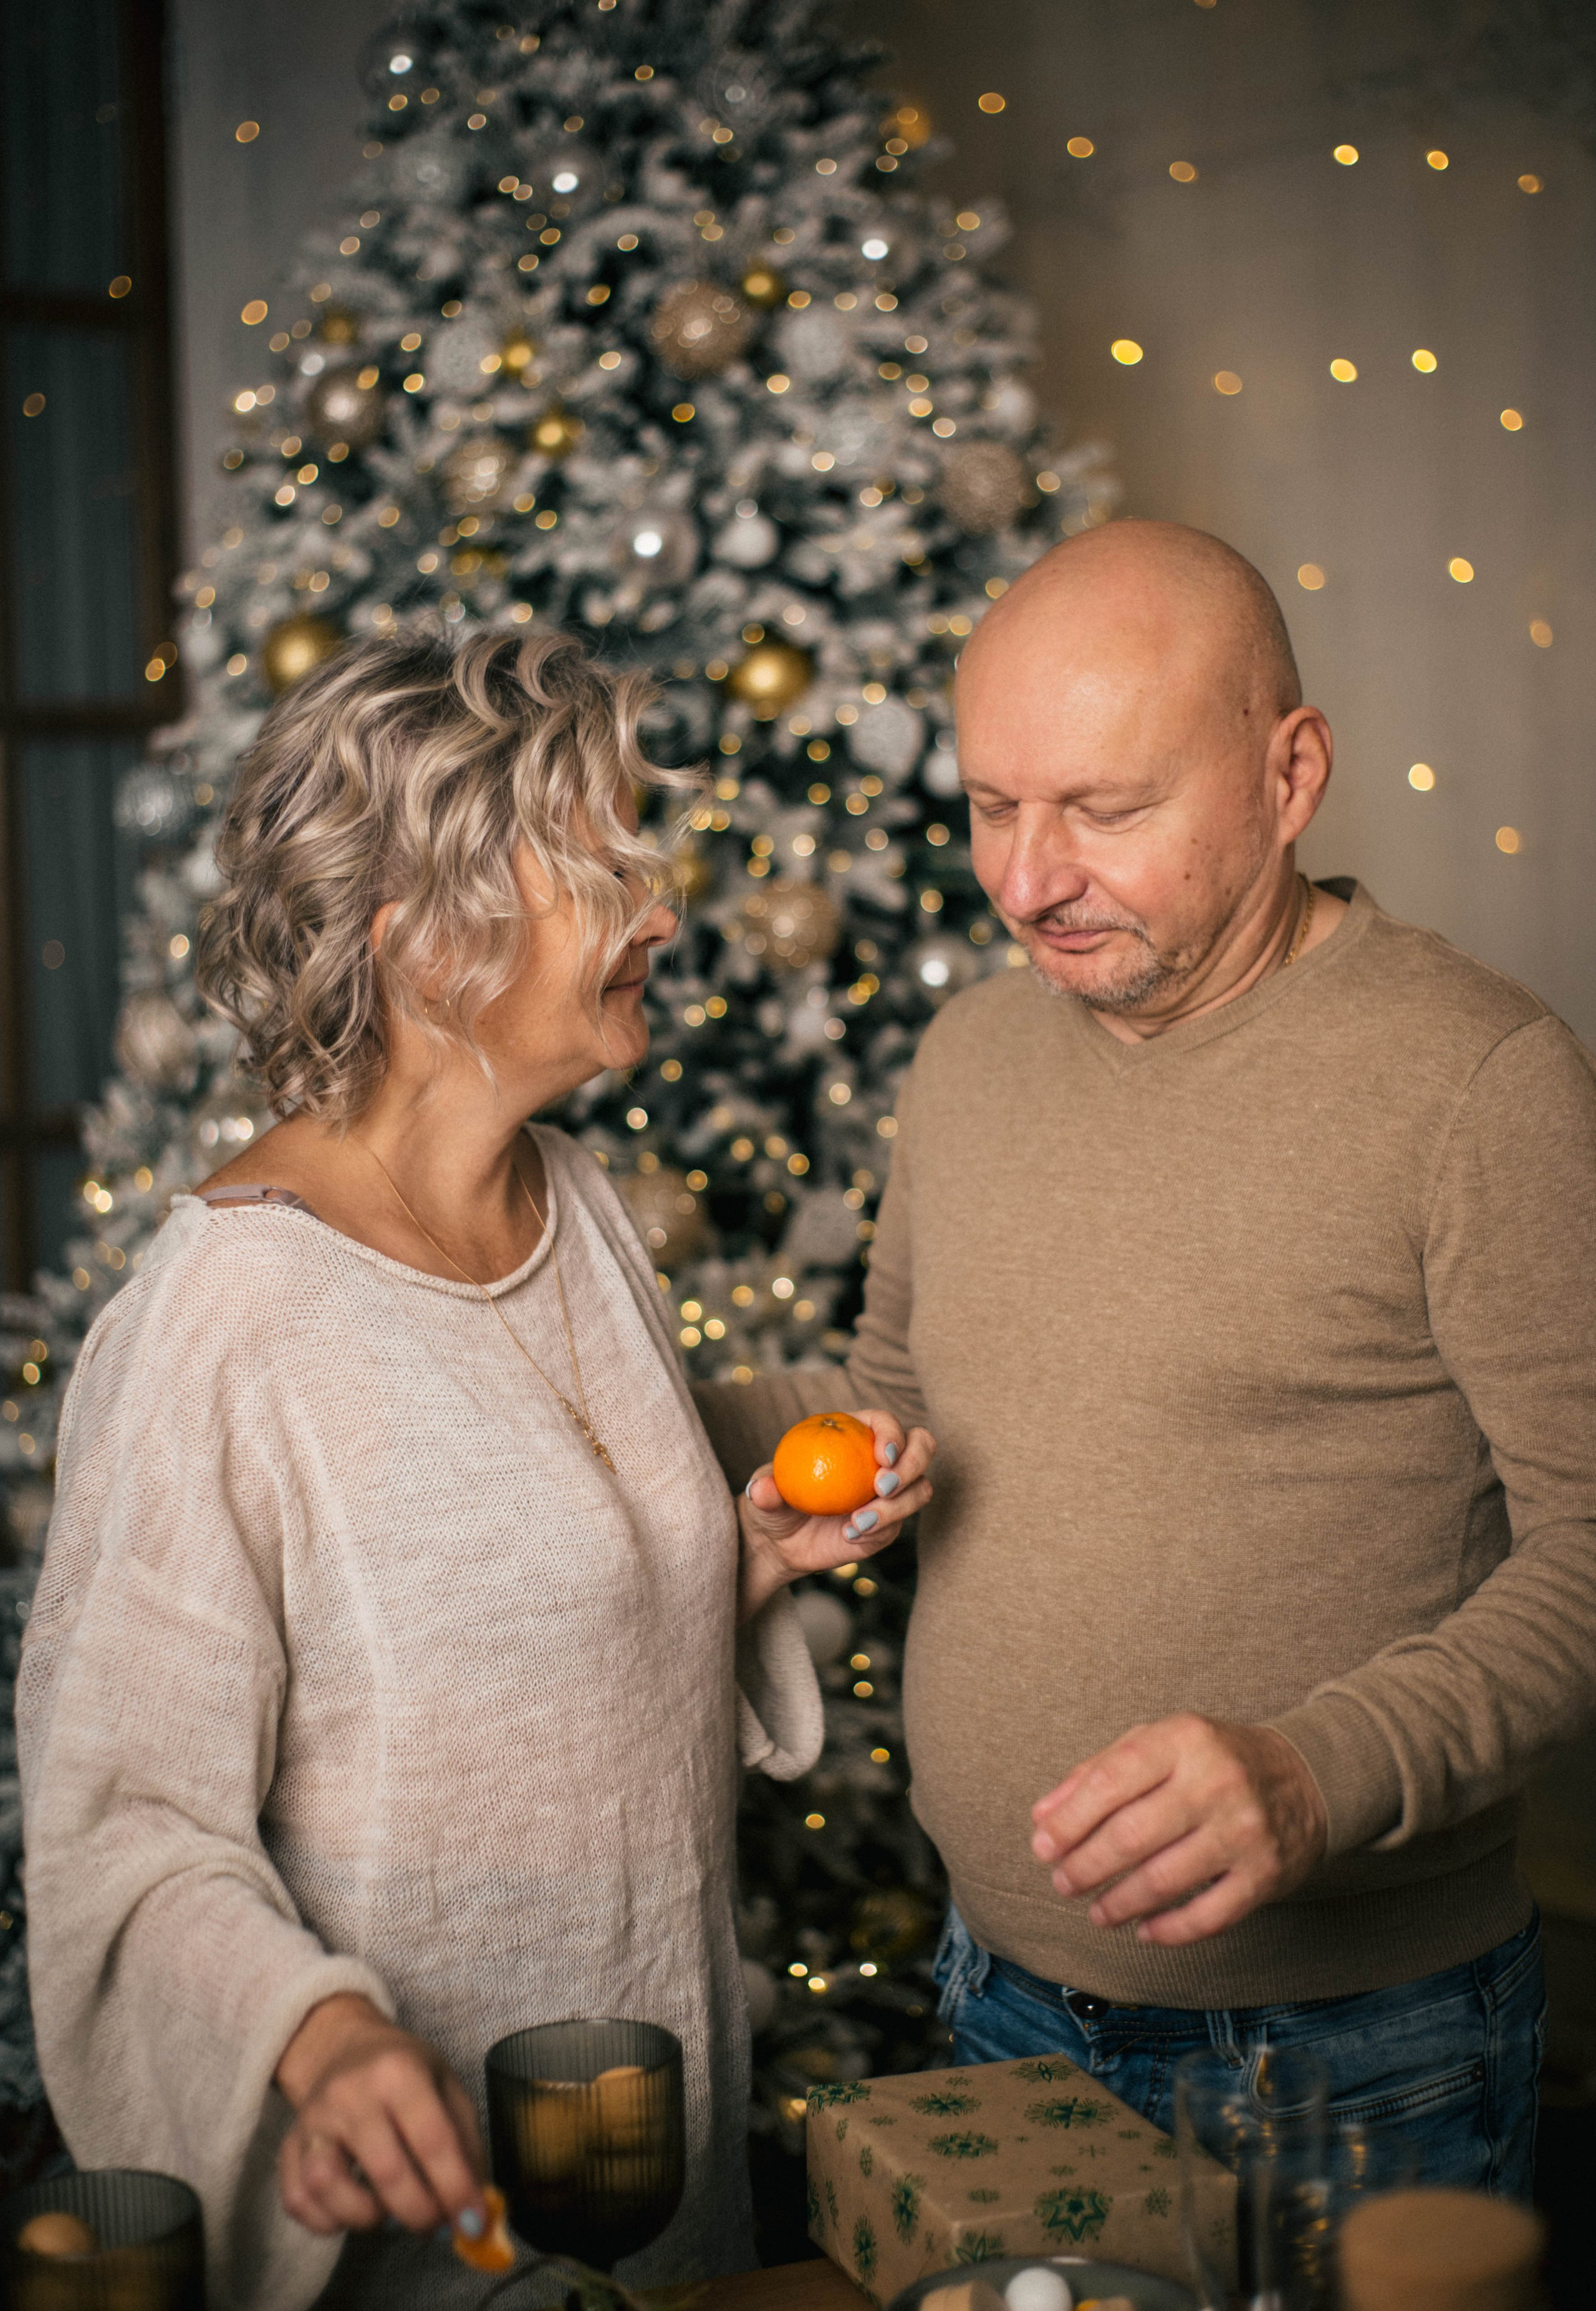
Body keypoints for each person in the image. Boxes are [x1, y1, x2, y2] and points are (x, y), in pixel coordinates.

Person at [17, 632, 935, 2311]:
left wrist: (736, 1556)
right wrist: (323, 2029)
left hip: (660, 2177)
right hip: (423, 2241)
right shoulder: (223, 1323)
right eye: (603, 864)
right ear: (429, 940)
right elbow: (123, 1834)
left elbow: (524, 1636)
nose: (661, 909)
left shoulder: (577, 1204)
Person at [702, 521, 1596, 2198]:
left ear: (1291, 773)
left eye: (1108, 810)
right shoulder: (969, 1051)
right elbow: (890, 1393)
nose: (1029, 878)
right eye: (990, 805)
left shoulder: (1483, 1084)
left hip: (1356, 2046)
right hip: (991, 1992)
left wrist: (1320, 1774)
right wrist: (620, 1410)